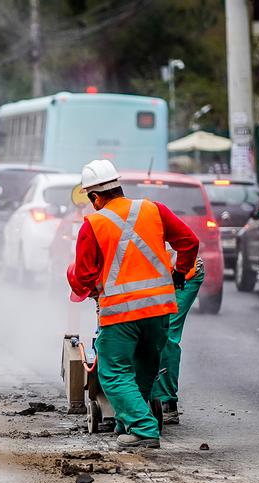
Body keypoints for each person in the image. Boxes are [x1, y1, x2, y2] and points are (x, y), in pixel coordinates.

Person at [68, 160, 199, 448]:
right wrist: (179, 273)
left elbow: (83, 276)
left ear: (94, 197)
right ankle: (128, 420)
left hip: (121, 313)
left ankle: (142, 429)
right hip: (159, 311)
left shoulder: (94, 223)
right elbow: (189, 241)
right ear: (118, 186)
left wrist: (79, 283)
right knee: (145, 368)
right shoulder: (154, 209)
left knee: (113, 372)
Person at [153, 257, 204, 424]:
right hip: (156, 277)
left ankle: (167, 402)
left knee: (166, 334)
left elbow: (189, 242)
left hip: (183, 275)